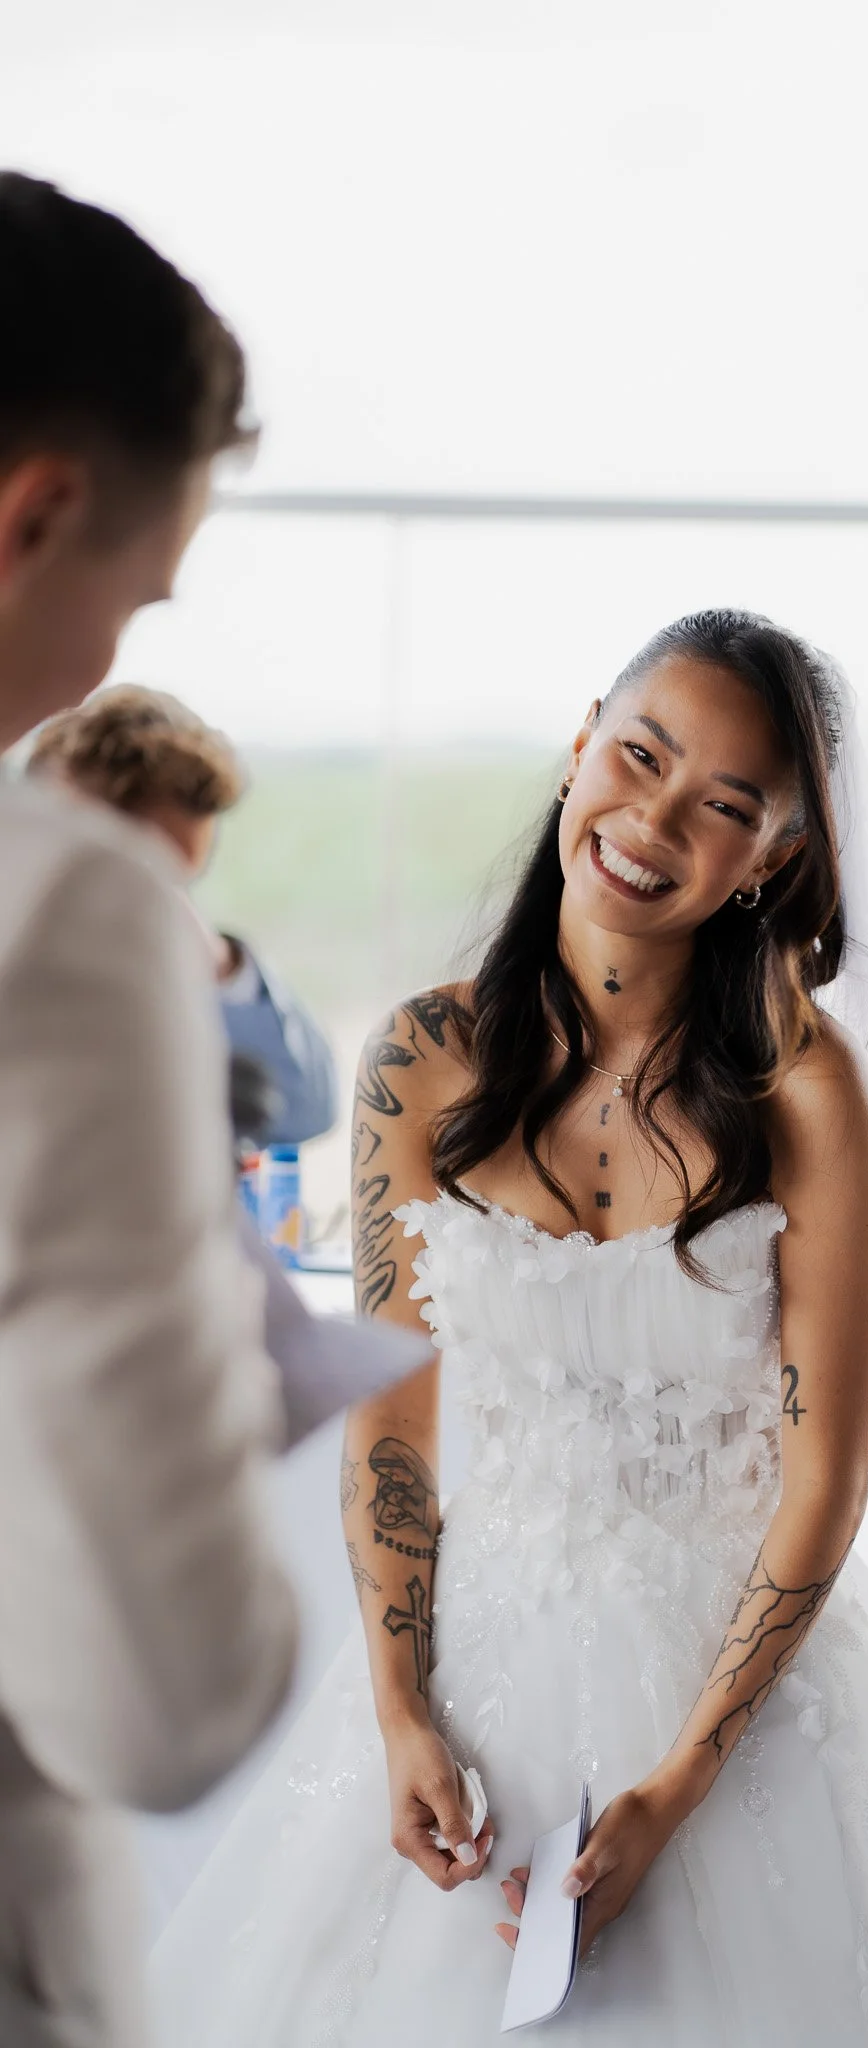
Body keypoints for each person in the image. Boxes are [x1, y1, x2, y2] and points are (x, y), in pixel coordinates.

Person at [151, 610, 868, 2045]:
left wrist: (681, 1782)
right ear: (581, 741)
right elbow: (392, 1429)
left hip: (751, 1704)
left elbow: (824, 1479)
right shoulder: (419, 1061)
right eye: (638, 756)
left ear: (774, 858)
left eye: (723, 806)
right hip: (482, 1670)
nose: (651, 823)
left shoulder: (807, 1096)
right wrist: (403, 1711)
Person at [0, 170, 298, 2047]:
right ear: (33, 521)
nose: (117, 646)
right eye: (140, 590)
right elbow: (175, 1695)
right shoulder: (60, 909)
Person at [26, 683, 339, 1147]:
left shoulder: (179, 963)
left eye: (180, 880)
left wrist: (219, 969)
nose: (158, 901)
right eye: (147, 875)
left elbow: (304, 1110)